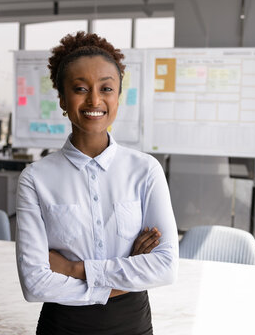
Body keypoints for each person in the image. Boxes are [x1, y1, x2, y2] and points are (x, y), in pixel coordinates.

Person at [16, 31, 178, 335]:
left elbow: (165, 267)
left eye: (106, 88)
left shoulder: (145, 171)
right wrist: (128, 269)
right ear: (63, 99)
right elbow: (35, 284)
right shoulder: (35, 179)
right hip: (61, 327)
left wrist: (75, 269)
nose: (94, 100)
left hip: (132, 325)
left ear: (117, 97)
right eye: (80, 88)